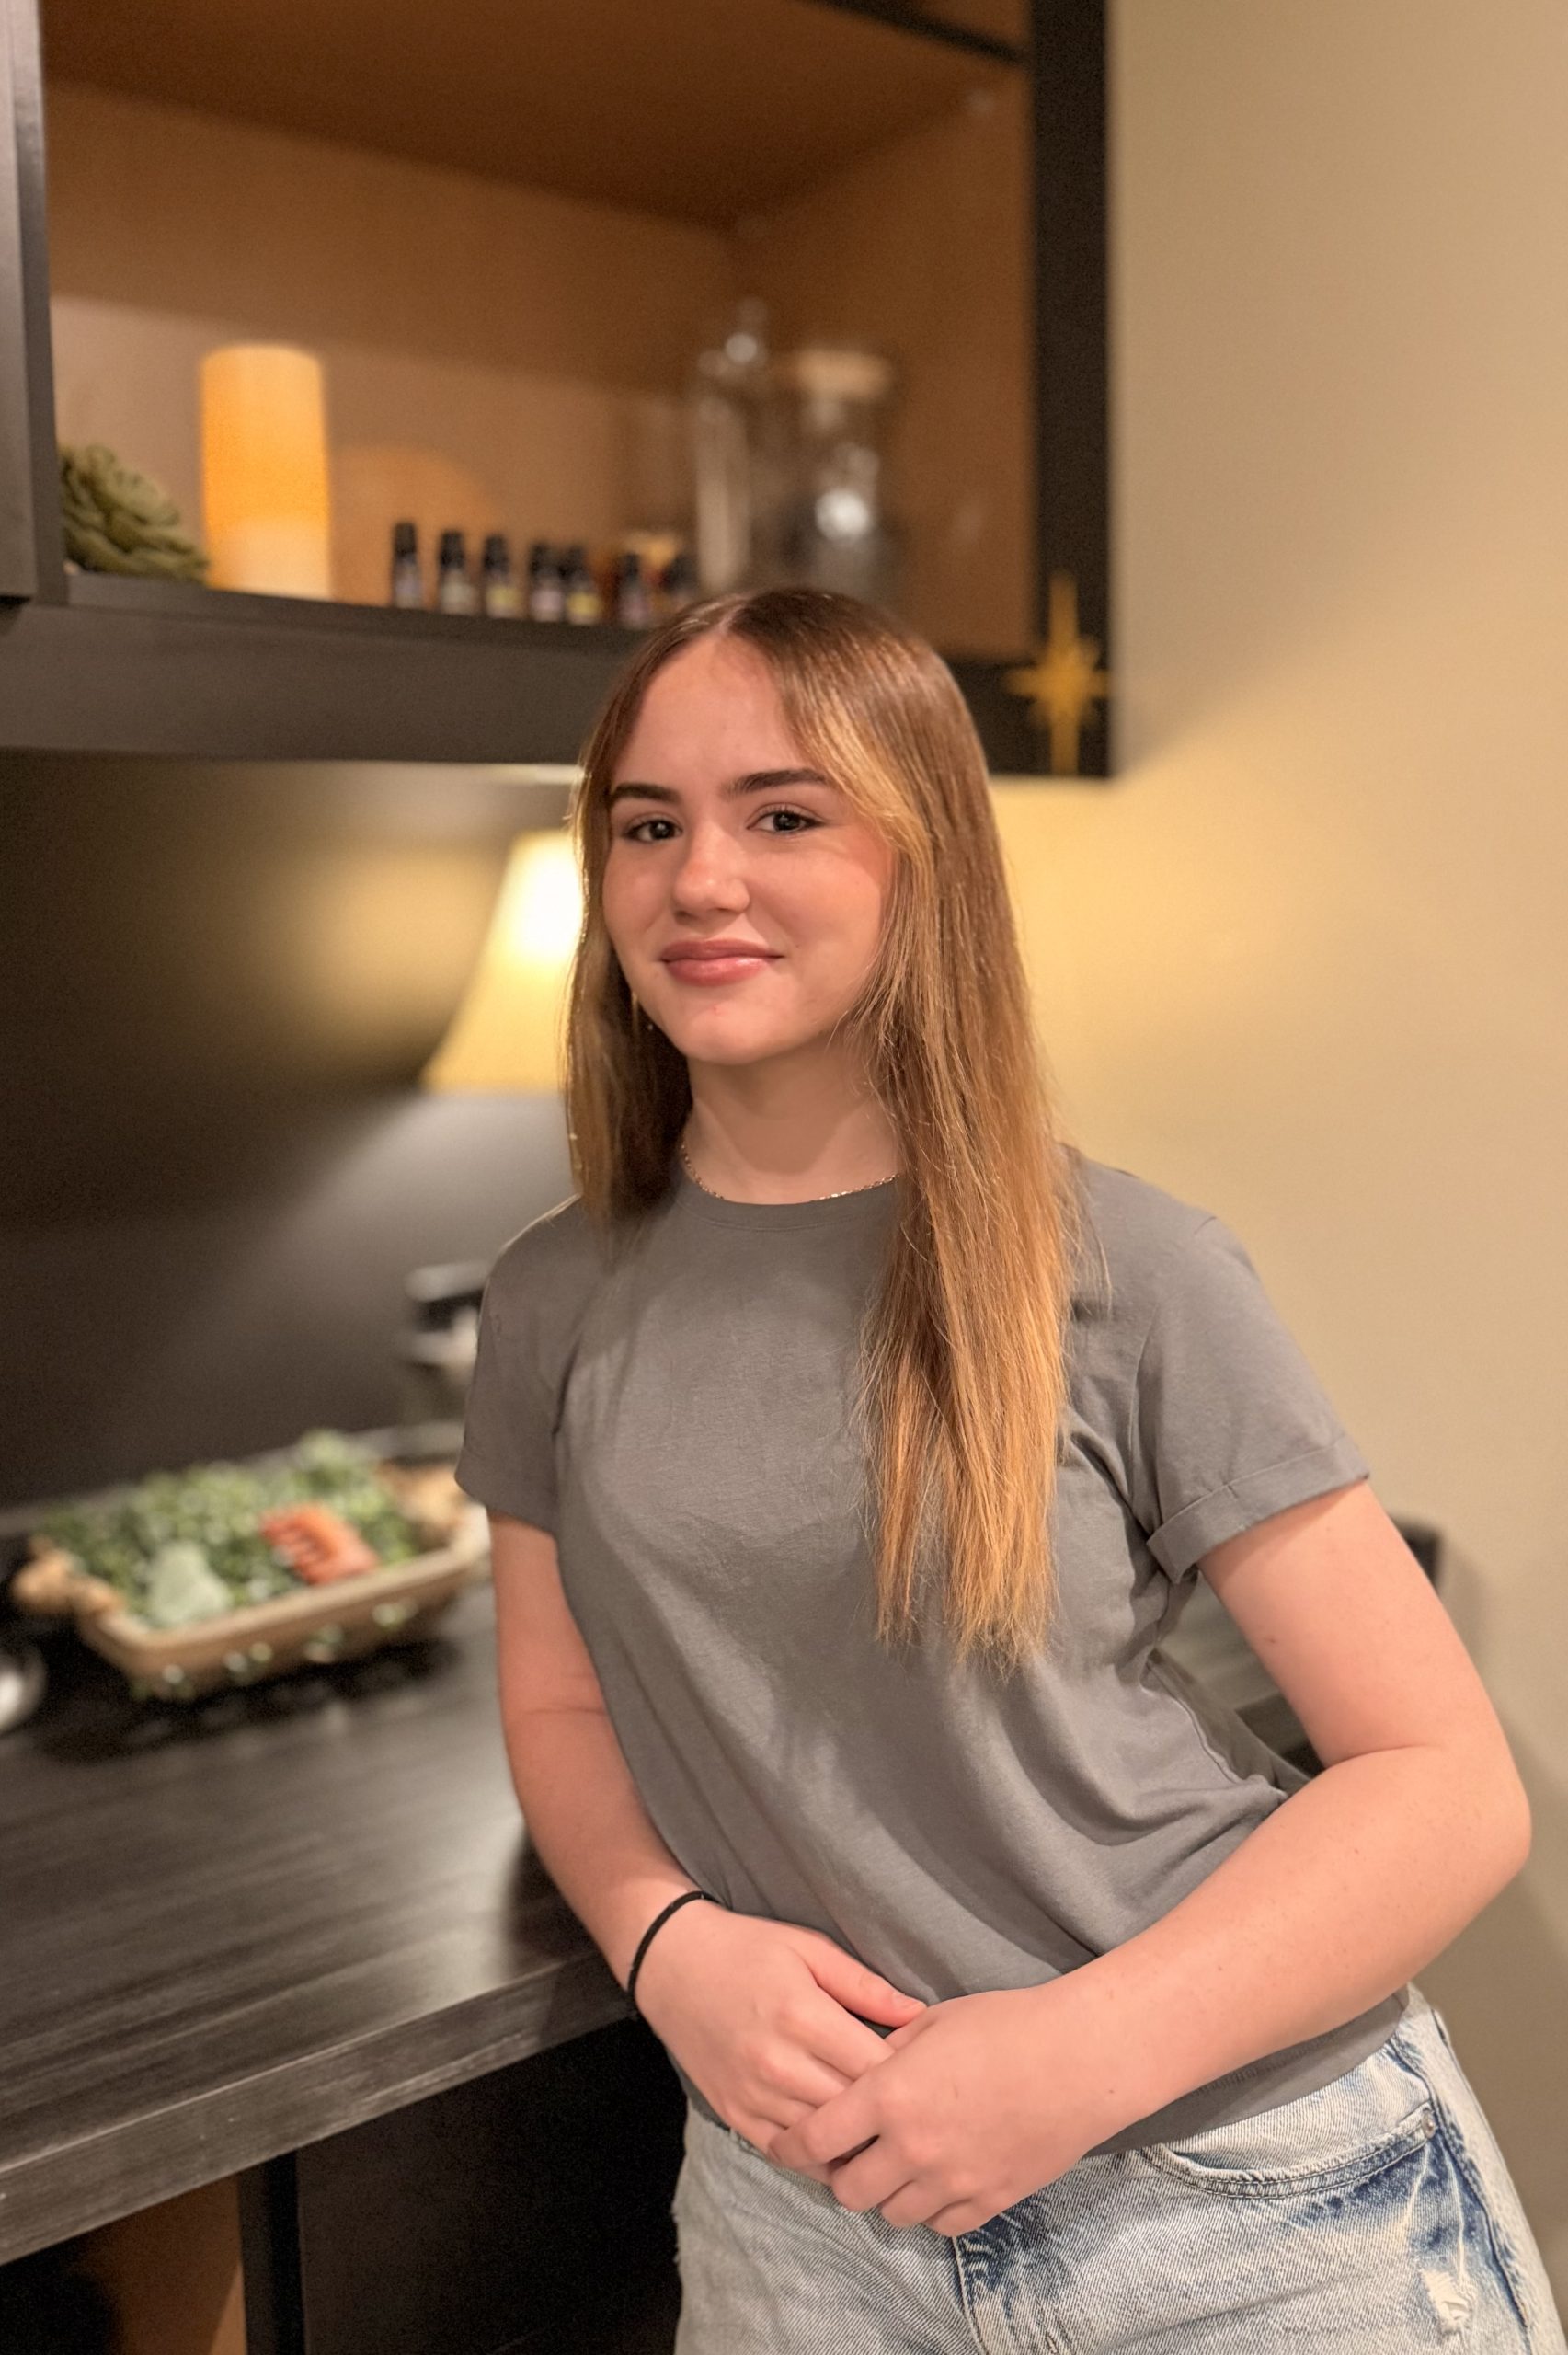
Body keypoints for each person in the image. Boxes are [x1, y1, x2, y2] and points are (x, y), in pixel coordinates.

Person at [453, 587, 1562, 2353]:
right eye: (646, 823)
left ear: (924, 861)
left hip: (1233, 2208)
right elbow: (560, 1703)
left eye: (784, 814)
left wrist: (1079, 2054)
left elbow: (1445, 1786)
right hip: (793, 2225)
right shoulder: (550, 1295)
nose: (698, 879)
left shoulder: (1123, 1267)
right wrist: (664, 1943)